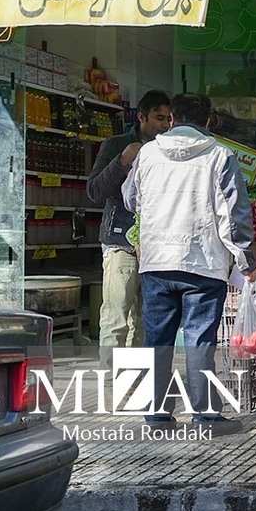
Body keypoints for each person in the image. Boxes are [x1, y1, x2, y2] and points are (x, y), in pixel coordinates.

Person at [123, 93, 256, 436]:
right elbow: (232, 216)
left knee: (158, 339)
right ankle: (206, 416)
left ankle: (157, 415)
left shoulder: (148, 152)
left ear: (172, 119)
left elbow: (130, 198)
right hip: (201, 261)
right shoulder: (219, 155)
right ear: (209, 120)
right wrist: (246, 260)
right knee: (200, 340)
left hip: (155, 261)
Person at [86, 90, 171, 360]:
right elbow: (94, 191)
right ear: (141, 117)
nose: (166, 125)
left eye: (169, 119)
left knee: (146, 320)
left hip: (157, 246)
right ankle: (110, 384)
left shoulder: (170, 150)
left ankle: (136, 380)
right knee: (116, 317)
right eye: (160, 118)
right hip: (120, 242)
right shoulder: (116, 144)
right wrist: (122, 161)